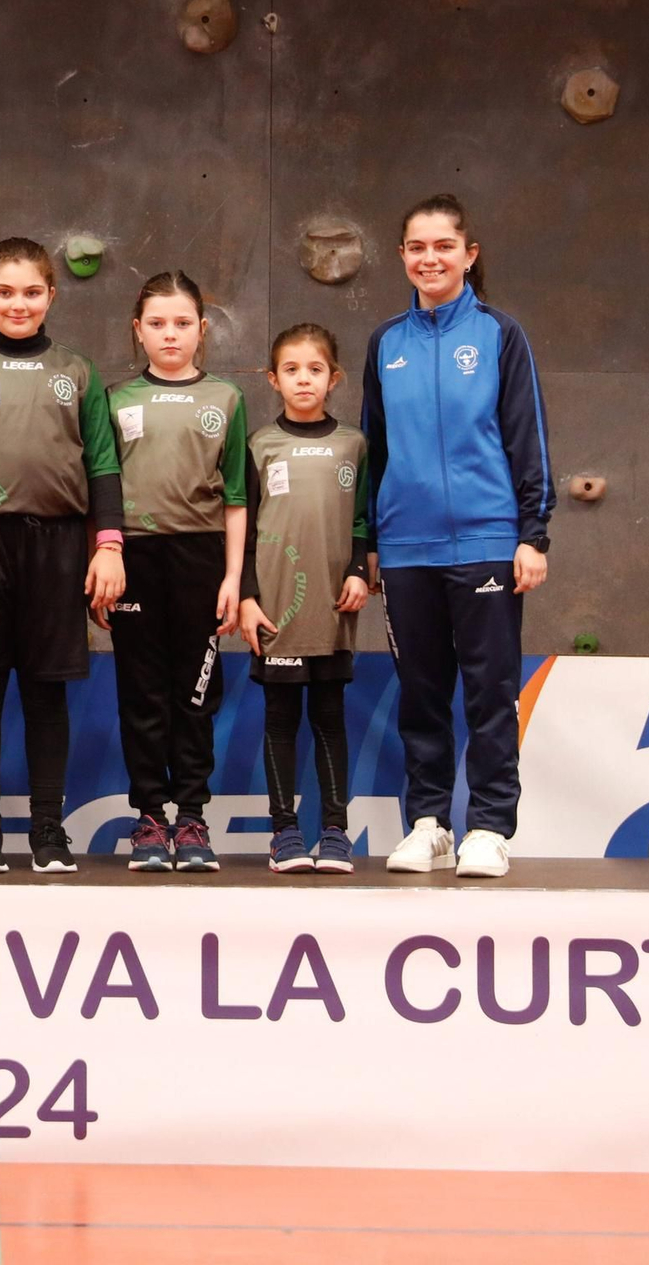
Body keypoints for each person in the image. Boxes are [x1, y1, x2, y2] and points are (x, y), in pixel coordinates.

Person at [0, 237, 125, 875]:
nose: (18, 303)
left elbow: (104, 466)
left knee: (45, 695)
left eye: (31, 291)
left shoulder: (79, 371)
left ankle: (47, 833)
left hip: (58, 547)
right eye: (4, 292)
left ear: (51, 296)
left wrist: (109, 546)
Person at [365, 193, 554, 879]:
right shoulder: (386, 344)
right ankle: (429, 822)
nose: (430, 258)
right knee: (420, 693)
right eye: (417, 247)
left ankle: (490, 827)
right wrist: (370, 540)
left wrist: (533, 534)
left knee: (489, 691)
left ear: (469, 254)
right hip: (407, 548)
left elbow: (525, 436)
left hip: (486, 542)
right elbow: (375, 450)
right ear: (403, 257)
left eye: (444, 245)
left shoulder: (501, 335)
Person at [101, 270, 246, 874]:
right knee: (143, 695)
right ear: (138, 331)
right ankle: (149, 819)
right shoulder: (114, 400)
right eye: (157, 324)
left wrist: (234, 578)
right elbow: (100, 491)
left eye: (182, 323)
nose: (170, 334)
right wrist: (102, 562)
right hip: (134, 558)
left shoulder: (227, 399)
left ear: (201, 330)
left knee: (195, 694)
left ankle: (191, 816)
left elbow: (237, 497)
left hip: (202, 559)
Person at [239, 324, 370, 876]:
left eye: (315, 369)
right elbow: (240, 528)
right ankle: (284, 832)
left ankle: (335, 832)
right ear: (273, 379)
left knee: (330, 718)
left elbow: (364, 520)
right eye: (291, 370)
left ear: (334, 378)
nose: (303, 379)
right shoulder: (259, 445)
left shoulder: (355, 445)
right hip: (275, 611)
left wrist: (361, 571)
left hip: (332, 609)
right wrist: (246, 596)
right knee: (279, 718)